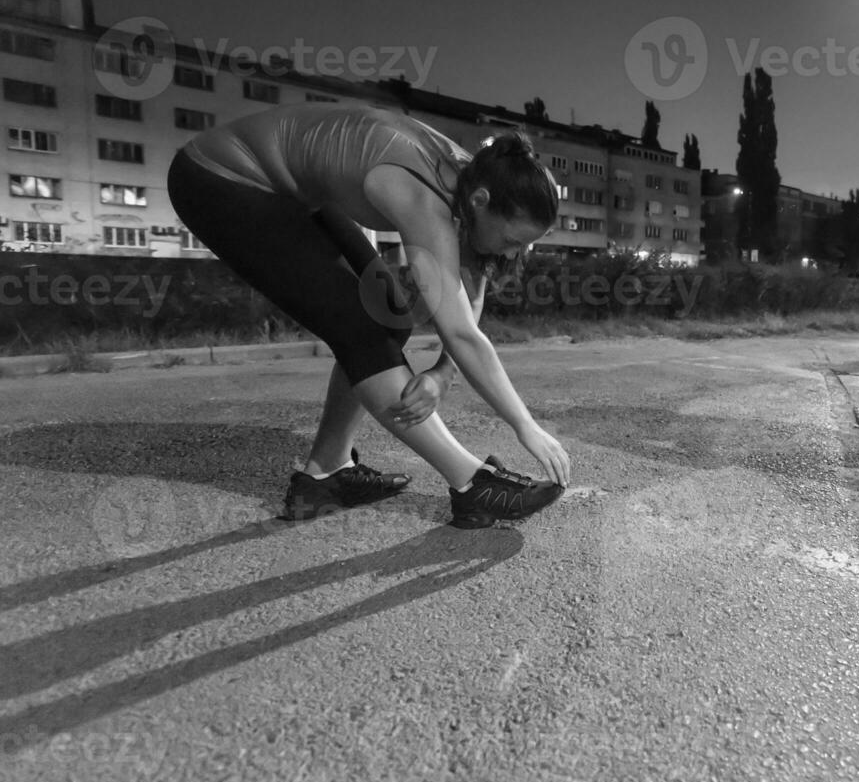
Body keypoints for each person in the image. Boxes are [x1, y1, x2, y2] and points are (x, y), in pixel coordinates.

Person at [167, 103, 571, 528]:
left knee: (390, 318)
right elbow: (462, 333)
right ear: (481, 202)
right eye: (511, 240)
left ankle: (325, 475)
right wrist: (524, 425)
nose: (512, 253)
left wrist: (442, 373)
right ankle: (473, 485)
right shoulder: (421, 192)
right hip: (219, 176)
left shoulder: (478, 181)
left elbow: (467, 301)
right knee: (361, 327)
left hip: (293, 192)